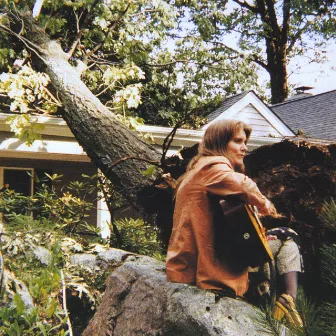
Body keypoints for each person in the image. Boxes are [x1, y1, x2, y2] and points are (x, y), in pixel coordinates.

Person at [166, 119, 303, 327]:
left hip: (204, 256)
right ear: (219, 143)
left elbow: (225, 221)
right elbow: (245, 186)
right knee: (289, 241)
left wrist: (260, 232)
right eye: (238, 141)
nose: (244, 148)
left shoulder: (197, 169)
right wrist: (266, 205)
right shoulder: (212, 167)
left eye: (245, 142)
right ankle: (286, 302)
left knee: (283, 239)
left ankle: (281, 300)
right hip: (209, 265)